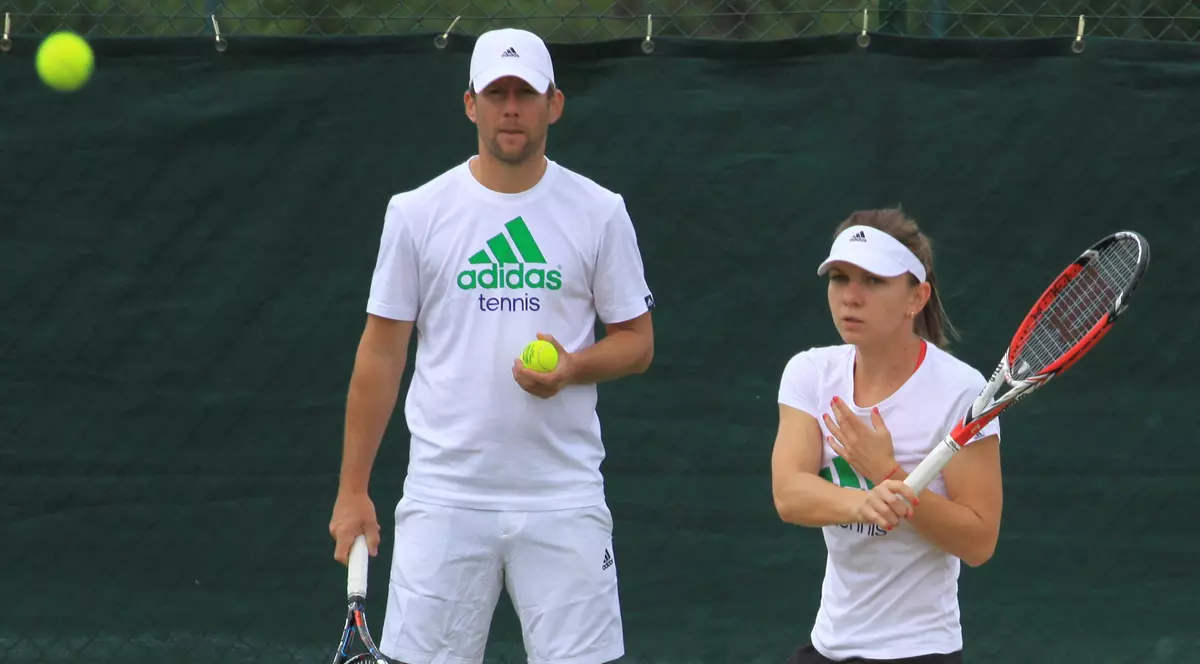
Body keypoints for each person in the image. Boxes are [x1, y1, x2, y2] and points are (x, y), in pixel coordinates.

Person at [327, 27, 656, 664]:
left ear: (553, 104)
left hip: (564, 497)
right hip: (444, 497)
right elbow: (381, 356)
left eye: (525, 93)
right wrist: (352, 491)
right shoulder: (415, 213)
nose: (512, 107)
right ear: (471, 104)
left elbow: (637, 344)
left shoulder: (600, 211)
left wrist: (572, 368)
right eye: (497, 92)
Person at [770, 208, 1003, 664]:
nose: (850, 297)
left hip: (920, 650)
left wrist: (888, 473)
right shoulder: (810, 373)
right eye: (839, 278)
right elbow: (789, 494)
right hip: (827, 646)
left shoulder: (962, 391)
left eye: (873, 281)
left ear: (916, 298)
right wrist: (866, 502)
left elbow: (978, 541)